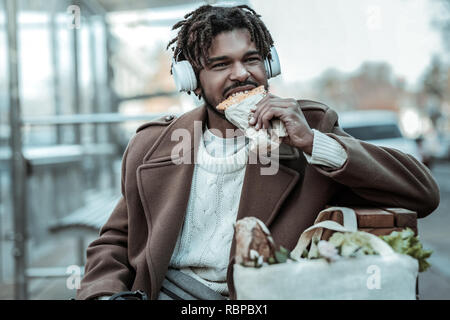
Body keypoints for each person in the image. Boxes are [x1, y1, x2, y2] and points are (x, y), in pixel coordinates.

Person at [76, 4, 439, 300]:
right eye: (221, 65)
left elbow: (423, 194)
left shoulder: (312, 126)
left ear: (269, 65)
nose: (241, 74)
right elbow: (116, 241)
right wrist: (103, 294)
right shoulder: (152, 144)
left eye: (251, 60)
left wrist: (313, 142)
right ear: (191, 81)